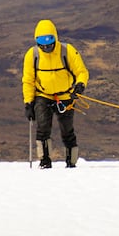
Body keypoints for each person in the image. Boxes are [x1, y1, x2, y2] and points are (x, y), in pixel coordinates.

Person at [22, 19, 89, 169]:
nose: (46, 46)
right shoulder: (32, 55)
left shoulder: (67, 51)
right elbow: (28, 80)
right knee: (43, 127)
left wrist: (80, 85)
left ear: (55, 38)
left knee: (67, 129)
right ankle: (45, 161)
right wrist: (28, 103)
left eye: (49, 41)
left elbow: (81, 71)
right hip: (43, 95)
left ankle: (71, 162)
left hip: (65, 96)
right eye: (41, 42)